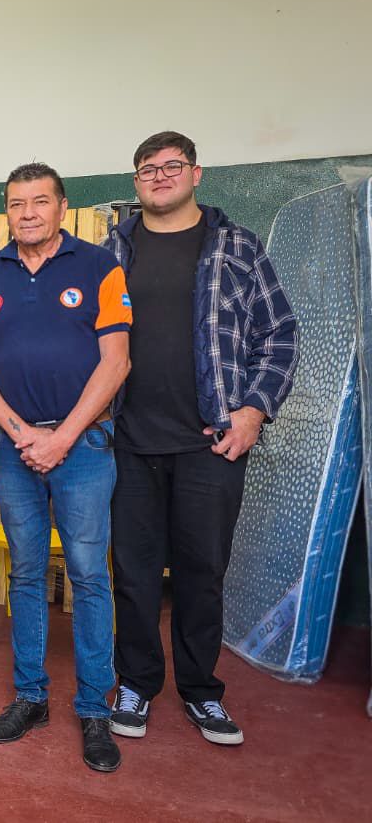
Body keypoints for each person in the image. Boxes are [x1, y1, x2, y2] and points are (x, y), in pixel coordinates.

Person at [102, 131, 298, 746]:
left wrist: (252, 413)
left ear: (196, 173)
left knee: (200, 570)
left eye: (172, 167)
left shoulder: (236, 246)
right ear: (136, 183)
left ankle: (200, 690)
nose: (160, 177)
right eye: (147, 170)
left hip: (210, 441)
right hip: (129, 441)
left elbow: (281, 334)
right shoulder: (111, 249)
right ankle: (135, 682)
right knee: (132, 574)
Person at [0, 163, 131, 773]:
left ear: (61, 207)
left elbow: (116, 363)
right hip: (16, 449)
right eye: (16, 203)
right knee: (27, 575)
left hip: (83, 450)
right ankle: (31, 697)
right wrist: (21, 433)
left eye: (40, 202)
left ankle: (93, 710)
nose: (28, 212)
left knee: (87, 576)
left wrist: (64, 436)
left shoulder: (99, 266)